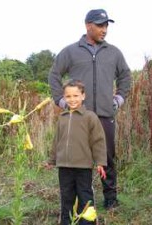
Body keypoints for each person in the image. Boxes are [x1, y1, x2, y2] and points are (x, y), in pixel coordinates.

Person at [48, 9, 131, 210]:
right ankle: (78, 201)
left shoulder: (114, 52)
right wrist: (61, 101)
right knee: (77, 158)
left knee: (107, 156)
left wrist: (119, 99)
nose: (104, 30)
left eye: (106, 25)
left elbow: (126, 76)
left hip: (104, 114)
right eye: (100, 25)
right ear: (88, 26)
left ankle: (110, 198)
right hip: (77, 116)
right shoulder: (70, 51)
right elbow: (54, 74)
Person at [46, 79, 107, 225]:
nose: (72, 99)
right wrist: (52, 160)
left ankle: (86, 222)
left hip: (83, 167)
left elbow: (98, 141)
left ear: (83, 96)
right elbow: (57, 141)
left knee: (85, 197)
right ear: (64, 97)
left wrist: (100, 162)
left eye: (76, 95)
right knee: (66, 198)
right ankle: (66, 222)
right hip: (64, 167)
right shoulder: (62, 118)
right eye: (68, 96)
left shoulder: (90, 117)